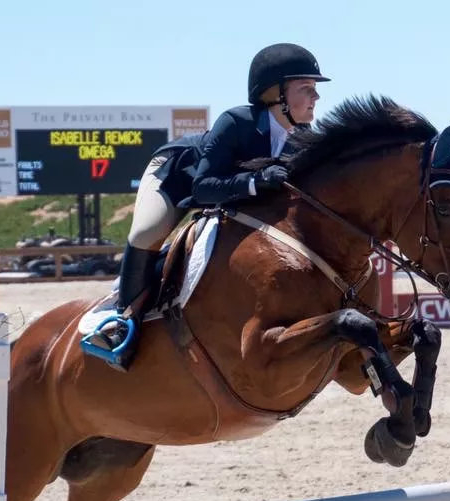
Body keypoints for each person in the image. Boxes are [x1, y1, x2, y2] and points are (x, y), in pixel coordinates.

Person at [82, 42, 330, 370]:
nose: (316, 98)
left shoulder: (303, 136)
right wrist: (255, 181)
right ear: (276, 93)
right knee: (148, 231)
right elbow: (203, 186)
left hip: (228, 193)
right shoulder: (237, 122)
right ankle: (122, 320)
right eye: (306, 88)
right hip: (177, 176)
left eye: (314, 89)